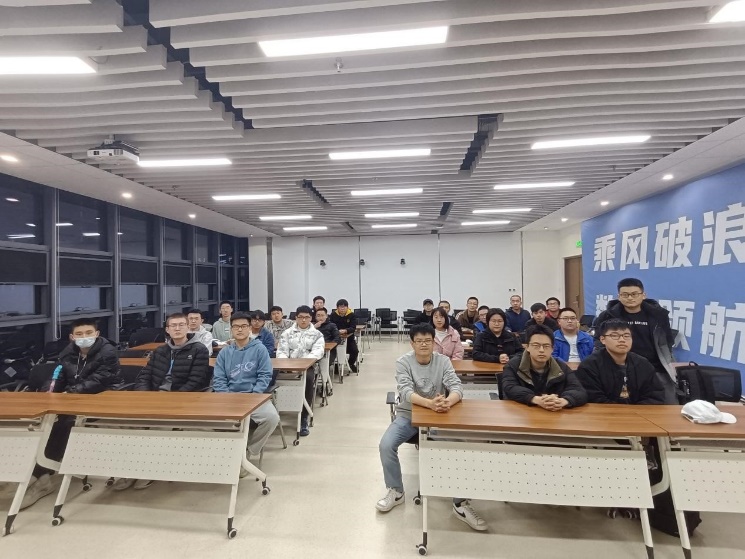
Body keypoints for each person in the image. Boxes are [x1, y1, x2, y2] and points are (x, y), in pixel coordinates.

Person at [376, 324, 486, 531]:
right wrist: (430, 404)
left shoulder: (443, 361)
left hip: (439, 414)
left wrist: (447, 402)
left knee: (461, 448)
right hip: (408, 414)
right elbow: (405, 391)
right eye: (419, 341)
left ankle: (460, 503)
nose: (424, 344)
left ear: (434, 342)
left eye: (428, 340)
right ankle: (396, 491)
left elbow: (456, 387)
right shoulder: (403, 362)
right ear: (412, 343)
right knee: (386, 445)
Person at [21, 318, 122, 509]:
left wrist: (68, 394)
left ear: (97, 334)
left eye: (88, 333)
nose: (84, 337)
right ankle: (38, 472)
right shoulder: (68, 352)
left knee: (63, 424)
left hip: (101, 400)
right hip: (72, 400)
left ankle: (42, 475)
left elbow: (99, 380)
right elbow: (58, 375)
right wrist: (49, 394)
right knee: (46, 422)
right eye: (79, 334)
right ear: (72, 337)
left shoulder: (108, 352)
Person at [112, 312, 210, 491]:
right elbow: (145, 375)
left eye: (181, 325)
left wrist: (173, 399)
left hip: (181, 400)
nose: (177, 328)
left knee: (157, 430)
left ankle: (148, 471)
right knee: (128, 427)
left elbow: (196, 381)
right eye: (173, 325)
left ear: (188, 327)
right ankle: (128, 470)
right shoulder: (160, 351)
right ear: (167, 329)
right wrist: (145, 396)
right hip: (154, 399)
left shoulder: (199, 350)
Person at [213, 312, 280, 473]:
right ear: (231, 329)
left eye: (243, 326)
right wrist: (227, 397)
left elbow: (265, 376)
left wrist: (254, 396)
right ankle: (225, 453)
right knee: (206, 421)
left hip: (253, 396)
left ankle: (249, 452)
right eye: (236, 326)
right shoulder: (225, 352)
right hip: (229, 397)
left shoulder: (260, 349)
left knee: (271, 418)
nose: (239, 329)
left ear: (250, 328)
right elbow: (219, 379)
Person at [594, 278, 676, 403]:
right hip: (619, 368)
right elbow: (599, 341)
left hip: (655, 367)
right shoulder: (607, 316)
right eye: (625, 295)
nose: (630, 298)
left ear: (643, 295)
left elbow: (667, 339)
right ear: (619, 296)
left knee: (666, 404)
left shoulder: (658, 315)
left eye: (634, 294)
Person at [577, 319, 665, 405]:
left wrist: (635, 411)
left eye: (626, 336)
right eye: (615, 335)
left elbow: (655, 395)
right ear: (602, 339)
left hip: (639, 412)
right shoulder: (590, 365)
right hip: (603, 413)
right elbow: (593, 398)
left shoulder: (643, 364)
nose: (622, 340)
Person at [502, 325, 588, 410]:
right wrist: (535, 399)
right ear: (527, 347)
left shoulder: (561, 367)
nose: (541, 350)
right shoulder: (513, 365)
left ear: (552, 349)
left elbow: (579, 391)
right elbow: (510, 388)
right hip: (523, 413)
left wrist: (563, 401)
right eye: (536, 345)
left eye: (546, 346)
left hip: (555, 413)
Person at [277, 305, 325, 437]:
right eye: (300, 317)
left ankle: (304, 417)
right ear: (296, 318)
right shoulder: (287, 333)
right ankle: (274, 413)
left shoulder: (317, 335)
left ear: (311, 318)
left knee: (308, 380)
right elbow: (281, 351)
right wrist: (287, 366)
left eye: (307, 317)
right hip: (287, 367)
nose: (303, 320)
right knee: (272, 378)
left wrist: (302, 365)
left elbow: (317, 352)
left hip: (307, 367)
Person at [330, 298, 359, 373]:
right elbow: (330, 326)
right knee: (335, 351)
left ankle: (351, 364)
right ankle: (336, 365)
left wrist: (346, 330)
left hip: (349, 338)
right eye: (340, 307)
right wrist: (336, 331)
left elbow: (353, 327)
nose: (342, 308)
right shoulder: (333, 315)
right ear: (337, 307)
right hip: (336, 338)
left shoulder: (352, 315)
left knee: (355, 351)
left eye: (344, 307)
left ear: (347, 307)